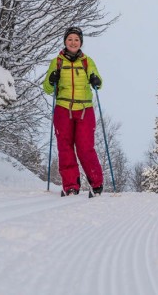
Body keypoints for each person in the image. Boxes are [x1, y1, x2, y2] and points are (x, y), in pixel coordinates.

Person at [43, 27, 104, 197]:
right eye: (70, 39)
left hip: (84, 109)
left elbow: (99, 83)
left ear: (81, 42)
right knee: (65, 147)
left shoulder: (87, 62)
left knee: (85, 148)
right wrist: (51, 79)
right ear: (65, 41)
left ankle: (96, 184)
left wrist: (95, 80)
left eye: (76, 39)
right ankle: (71, 186)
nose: (73, 42)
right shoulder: (57, 62)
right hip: (63, 108)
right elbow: (47, 88)